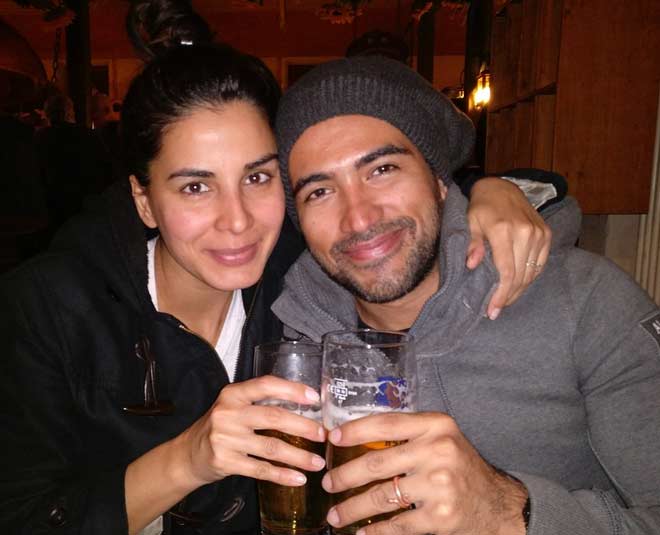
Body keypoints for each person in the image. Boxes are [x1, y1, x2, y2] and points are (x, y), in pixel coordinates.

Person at [0, 2, 565, 534]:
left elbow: (397, 214)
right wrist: (186, 460)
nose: (238, 221)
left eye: (257, 177)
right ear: (144, 201)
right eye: (196, 186)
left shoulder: (302, 275)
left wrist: (493, 191)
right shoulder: (47, 307)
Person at [271, 56, 660, 534]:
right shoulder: (295, 333)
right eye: (319, 192)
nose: (359, 218)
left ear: (439, 181)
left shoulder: (588, 304)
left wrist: (507, 512)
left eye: (382, 169)